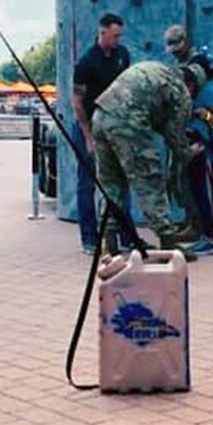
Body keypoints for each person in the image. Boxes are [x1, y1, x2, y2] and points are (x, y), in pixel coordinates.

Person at [91, 59, 204, 253]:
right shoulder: (181, 90)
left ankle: (109, 244)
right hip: (127, 122)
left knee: (110, 182)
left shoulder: (157, 69)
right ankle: (168, 241)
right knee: (149, 179)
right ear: (192, 85)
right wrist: (187, 152)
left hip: (100, 116)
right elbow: (175, 135)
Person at [72, 13, 131, 253]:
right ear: (102, 32)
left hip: (116, 126)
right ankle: (89, 239)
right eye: (114, 35)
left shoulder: (122, 55)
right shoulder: (86, 62)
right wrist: (88, 137)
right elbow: (77, 101)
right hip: (90, 125)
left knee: (121, 181)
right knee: (88, 183)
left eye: (119, 35)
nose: (117, 39)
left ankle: (126, 236)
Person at [164, 25, 213, 255]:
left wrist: (203, 114)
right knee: (187, 186)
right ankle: (198, 228)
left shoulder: (205, 88)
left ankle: (209, 235)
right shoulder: (183, 76)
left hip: (199, 142)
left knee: (199, 188)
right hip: (184, 138)